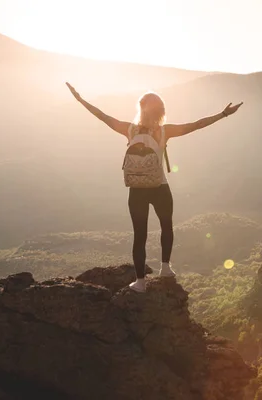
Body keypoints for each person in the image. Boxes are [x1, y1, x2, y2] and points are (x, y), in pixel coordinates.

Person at [66, 82, 242, 292]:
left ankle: (140, 282)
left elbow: (103, 117)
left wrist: (80, 100)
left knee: (139, 235)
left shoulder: (130, 129)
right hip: (160, 187)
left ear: (140, 108)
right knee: (166, 225)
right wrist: (223, 114)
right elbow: (196, 124)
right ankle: (165, 268)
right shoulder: (164, 131)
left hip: (136, 189)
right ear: (162, 111)